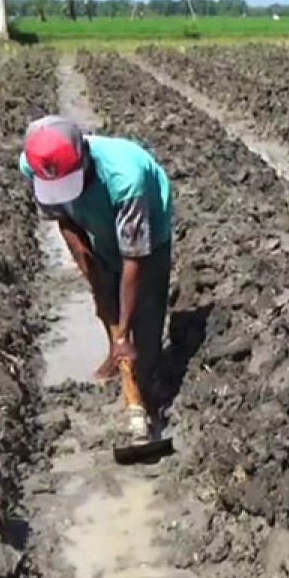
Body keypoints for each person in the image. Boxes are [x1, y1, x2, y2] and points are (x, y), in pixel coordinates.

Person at [20, 115, 173, 399]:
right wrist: (93, 275)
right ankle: (116, 351)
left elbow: (134, 258)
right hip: (96, 218)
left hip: (146, 220)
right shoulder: (35, 166)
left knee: (146, 307)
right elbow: (63, 219)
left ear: (84, 158)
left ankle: (146, 379)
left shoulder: (126, 178)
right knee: (107, 300)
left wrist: (125, 330)